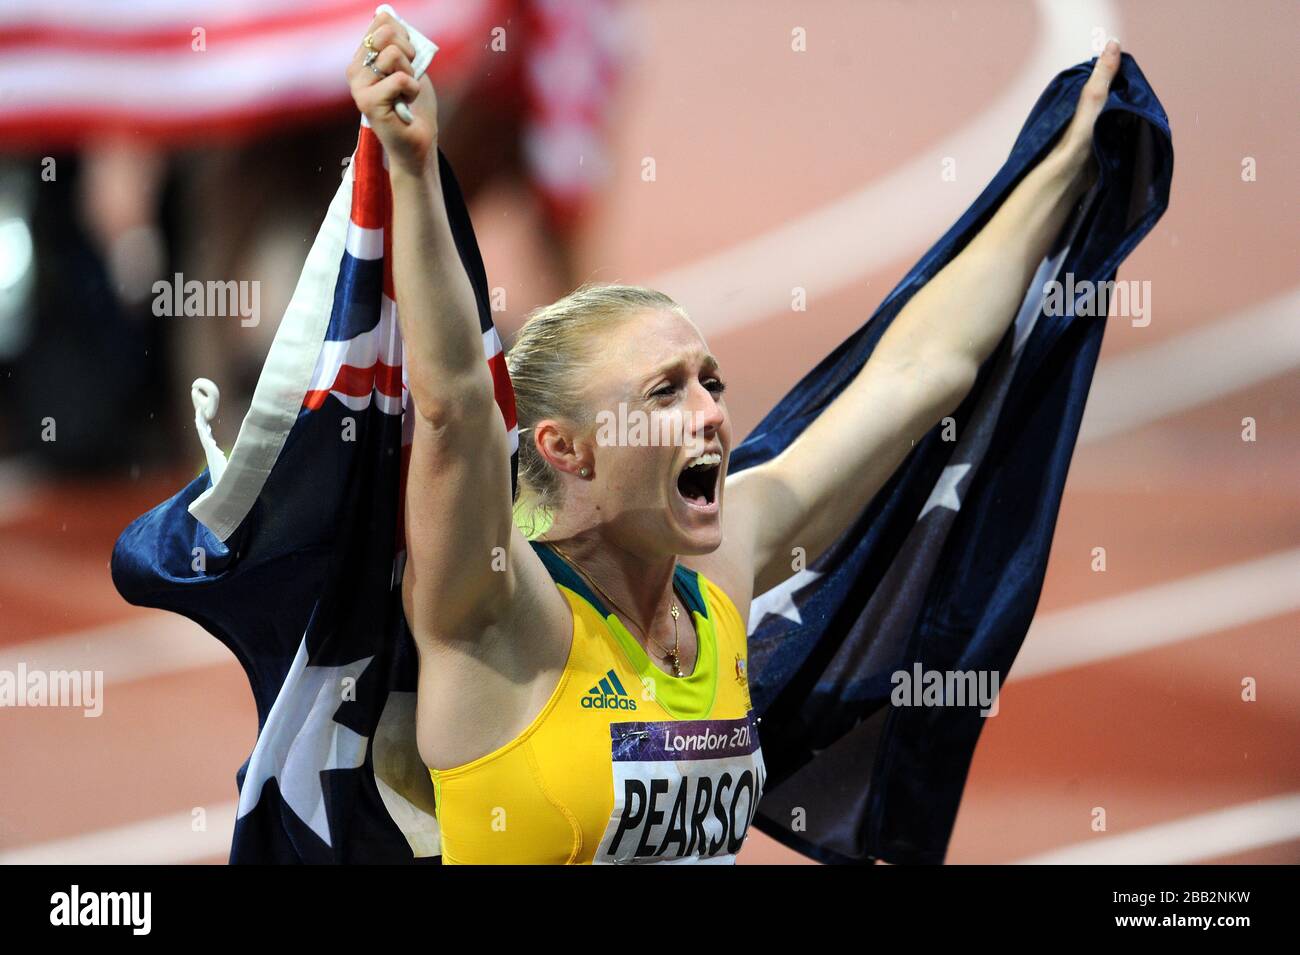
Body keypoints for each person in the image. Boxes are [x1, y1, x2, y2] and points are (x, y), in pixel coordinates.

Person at [347, 11, 1122, 864]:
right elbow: (456, 404)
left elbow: (922, 372)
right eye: (665, 391)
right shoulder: (499, 613)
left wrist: (1068, 168)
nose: (712, 411)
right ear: (568, 447)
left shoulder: (716, 581)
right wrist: (414, 168)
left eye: (709, 382)